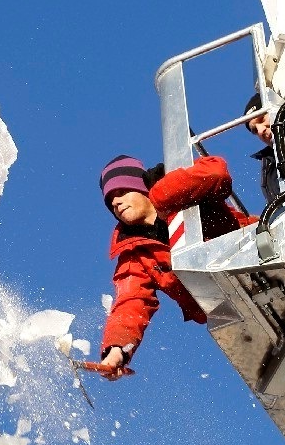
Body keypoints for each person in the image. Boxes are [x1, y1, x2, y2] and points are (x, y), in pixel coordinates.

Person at [96, 153, 258, 379]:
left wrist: (164, 194)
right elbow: (131, 302)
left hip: (259, 260)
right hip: (230, 310)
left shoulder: (176, 182)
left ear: (140, 188)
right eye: (110, 200)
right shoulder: (135, 254)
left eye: (121, 191)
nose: (115, 201)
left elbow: (217, 173)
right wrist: (116, 350)